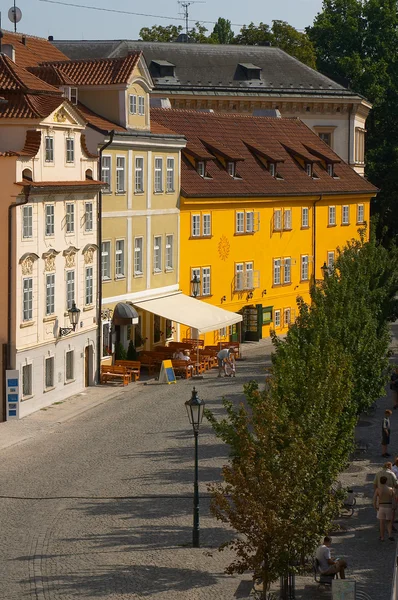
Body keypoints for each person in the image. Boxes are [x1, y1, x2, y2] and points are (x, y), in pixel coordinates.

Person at [374, 475, 395, 541]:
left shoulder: (378, 489)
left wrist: (375, 506)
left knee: (381, 522)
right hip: (389, 506)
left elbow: (374, 499)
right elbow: (394, 499)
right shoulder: (390, 489)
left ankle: (382, 537)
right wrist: (394, 507)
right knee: (389, 522)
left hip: (381, 506)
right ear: (386, 481)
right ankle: (390, 535)